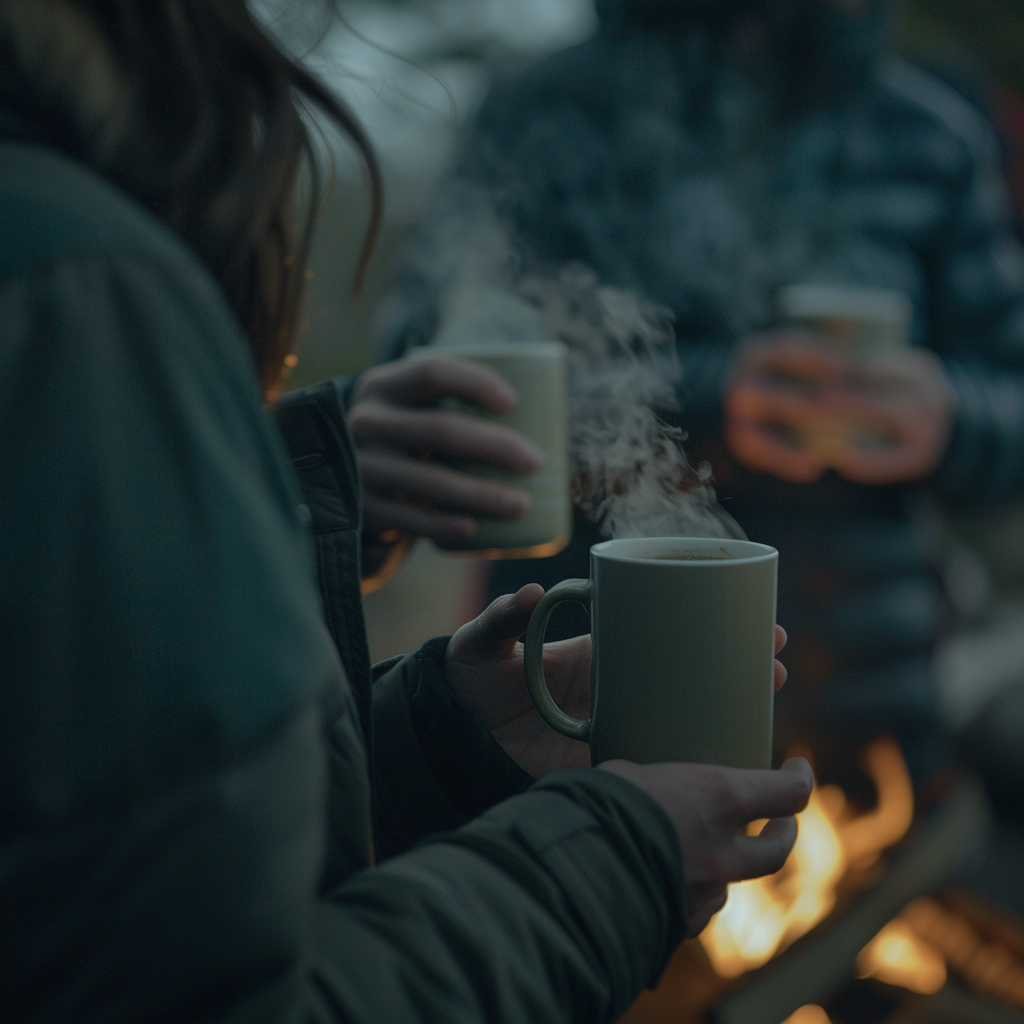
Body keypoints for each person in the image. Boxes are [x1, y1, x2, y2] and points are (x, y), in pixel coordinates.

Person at [0, 1, 814, 1020]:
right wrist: (611, 858)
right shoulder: (82, 282)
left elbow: (122, 833)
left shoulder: (68, 254)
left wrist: (432, 738)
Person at [371, 0, 1024, 795]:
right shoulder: (543, 115)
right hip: (583, 701)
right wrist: (710, 397)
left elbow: (1010, 397)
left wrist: (948, 418)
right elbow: (426, 368)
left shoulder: (926, 135)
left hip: (869, 713)